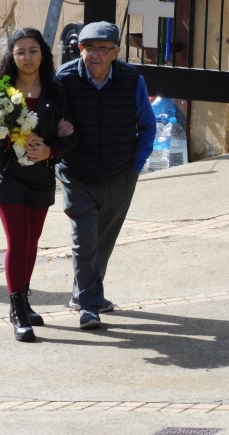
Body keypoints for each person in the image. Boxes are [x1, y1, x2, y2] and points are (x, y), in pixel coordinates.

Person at [0, 28, 76, 342]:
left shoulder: (55, 91)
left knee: (32, 243)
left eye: (33, 50)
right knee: (17, 243)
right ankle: (17, 309)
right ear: (12, 56)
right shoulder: (1, 91)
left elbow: (73, 133)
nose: (27, 57)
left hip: (42, 176)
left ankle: (24, 299)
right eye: (21, 52)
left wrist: (52, 150)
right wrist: (10, 135)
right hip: (10, 175)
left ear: (42, 53)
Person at [54, 21, 156, 329]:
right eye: (88, 48)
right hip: (77, 172)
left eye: (103, 49)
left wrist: (135, 166)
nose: (94, 56)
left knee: (104, 239)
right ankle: (89, 305)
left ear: (116, 52)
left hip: (119, 172)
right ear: (80, 49)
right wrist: (56, 130)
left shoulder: (131, 80)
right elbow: (48, 119)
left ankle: (83, 293)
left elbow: (147, 126)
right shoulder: (64, 79)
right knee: (84, 238)